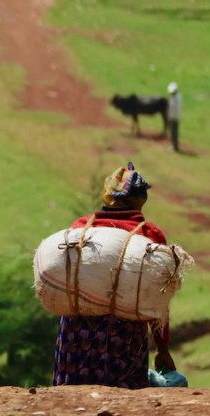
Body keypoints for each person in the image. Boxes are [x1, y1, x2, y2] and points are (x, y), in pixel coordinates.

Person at [53, 162, 176, 389]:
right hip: (123, 335)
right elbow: (158, 298)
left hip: (75, 333)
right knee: (122, 400)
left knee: (71, 399)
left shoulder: (81, 227)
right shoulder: (148, 234)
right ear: (140, 199)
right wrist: (162, 347)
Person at [167, 82, 182, 152]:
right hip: (174, 117)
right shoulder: (176, 97)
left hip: (174, 118)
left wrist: (172, 117)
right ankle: (174, 145)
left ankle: (175, 147)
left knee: (174, 133)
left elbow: (174, 109)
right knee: (173, 132)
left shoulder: (176, 99)